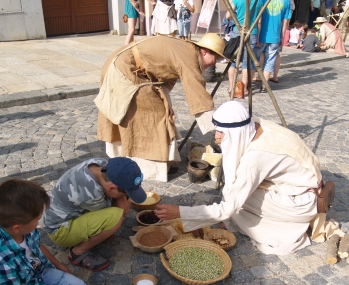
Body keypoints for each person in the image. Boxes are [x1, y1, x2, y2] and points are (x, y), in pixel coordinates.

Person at [155, 101, 344, 255]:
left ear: (235, 132)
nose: (217, 137)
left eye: (221, 132)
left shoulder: (256, 158)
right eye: (217, 130)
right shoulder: (255, 125)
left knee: (236, 202)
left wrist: (179, 212)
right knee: (235, 190)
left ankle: (285, 229)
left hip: (300, 204)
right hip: (302, 188)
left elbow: (228, 208)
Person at [95, 33, 225, 182]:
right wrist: (218, 129)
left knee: (161, 110)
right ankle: (144, 168)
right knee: (153, 116)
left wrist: (166, 102)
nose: (214, 64)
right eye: (214, 59)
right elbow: (198, 94)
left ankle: (161, 162)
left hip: (131, 68)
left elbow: (163, 74)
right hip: (123, 69)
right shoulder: (188, 57)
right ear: (205, 51)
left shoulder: (187, 50)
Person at [42, 157, 146, 271]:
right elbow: (117, 210)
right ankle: (78, 252)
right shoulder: (92, 193)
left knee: (117, 207)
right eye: (125, 193)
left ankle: (97, 234)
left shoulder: (100, 163)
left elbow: (112, 196)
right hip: (59, 231)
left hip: (67, 216)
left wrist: (121, 196)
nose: (126, 196)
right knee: (116, 216)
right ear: (112, 188)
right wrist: (124, 201)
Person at [226, 0, 264, 97]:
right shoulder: (259, 1)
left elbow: (228, 15)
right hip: (252, 32)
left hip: (238, 30)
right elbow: (259, 21)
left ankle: (231, 87)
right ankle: (243, 89)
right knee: (246, 63)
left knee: (233, 61)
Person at [255, 0, 291, 92]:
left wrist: (257, 35)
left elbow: (258, 19)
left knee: (253, 60)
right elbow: (285, 22)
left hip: (261, 35)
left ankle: (247, 84)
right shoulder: (286, 1)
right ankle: (264, 86)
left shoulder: (262, 0)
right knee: (270, 61)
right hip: (275, 36)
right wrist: (282, 36)